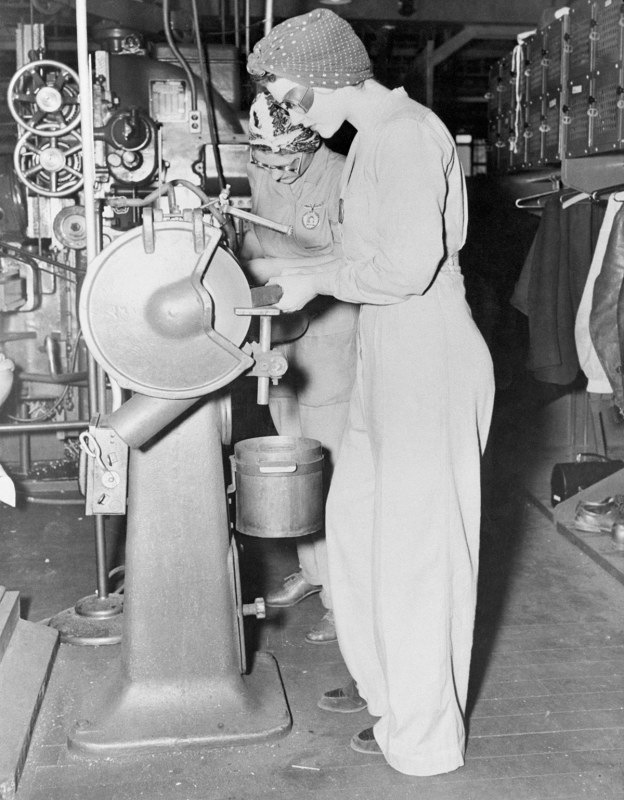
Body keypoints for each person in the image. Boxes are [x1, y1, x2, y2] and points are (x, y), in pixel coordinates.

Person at [247, 8, 495, 777]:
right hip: (387, 351)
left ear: (326, 77)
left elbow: (404, 268)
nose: (287, 114)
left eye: (289, 97)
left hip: (429, 351)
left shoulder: (407, 134)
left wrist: (310, 282)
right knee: (355, 537)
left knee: (420, 559)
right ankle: (391, 696)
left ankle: (424, 742)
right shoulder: (367, 142)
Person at [240, 91, 359, 644]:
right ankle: (314, 573)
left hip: (333, 333)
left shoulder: (345, 173)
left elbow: (357, 259)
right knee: (290, 457)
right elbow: (253, 235)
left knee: (328, 466)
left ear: (311, 144)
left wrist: (272, 265)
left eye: (285, 162)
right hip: (281, 335)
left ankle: (345, 597)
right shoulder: (262, 166)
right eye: (263, 161)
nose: (274, 173)